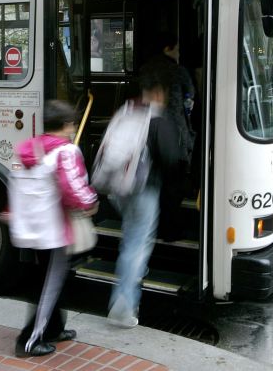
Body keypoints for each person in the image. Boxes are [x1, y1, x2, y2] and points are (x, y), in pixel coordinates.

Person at [12, 100, 98, 358]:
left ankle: (55, 328)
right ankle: (29, 340)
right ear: (67, 125)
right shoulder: (66, 151)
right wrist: (90, 202)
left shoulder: (31, 148)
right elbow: (73, 188)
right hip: (55, 229)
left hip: (32, 227)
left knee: (48, 280)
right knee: (50, 285)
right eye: (71, 124)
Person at [107, 69, 179, 328]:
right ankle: (124, 302)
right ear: (160, 93)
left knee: (130, 240)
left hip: (119, 189)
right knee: (137, 245)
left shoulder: (126, 112)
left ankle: (131, 276)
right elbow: (171, 158)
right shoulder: (157, 119)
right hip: (144, 190)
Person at [140, 33, 195, 165]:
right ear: (167, 49)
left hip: (147, 125)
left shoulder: (144, 69)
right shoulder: (178, 70)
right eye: (177, 49)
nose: (179, 54)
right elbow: (190, 93)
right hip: (175, 126)